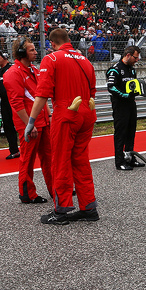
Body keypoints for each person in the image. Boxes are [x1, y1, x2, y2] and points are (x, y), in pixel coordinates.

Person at [26, 28, 98, 226]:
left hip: (66, 114)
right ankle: (88, 207)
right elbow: (93, 91)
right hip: (87, 113)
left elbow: (42, 94)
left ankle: (61, 210)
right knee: (81, 160)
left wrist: (31, 121)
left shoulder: (52, 59)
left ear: (52, 44)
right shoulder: (85, 60)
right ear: (68, 40)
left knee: (60, 161)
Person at [4, 37, 53, 204]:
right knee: (28, 159)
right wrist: (28, 125)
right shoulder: (12, 73)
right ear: (21, 53)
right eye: (31, 50)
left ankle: (55, 189)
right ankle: (27, 193)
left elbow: (41, 96)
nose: (35, 52)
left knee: (49, 157)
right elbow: (16, 103)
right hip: (29, 124)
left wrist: (50, 116)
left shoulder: (34, 70)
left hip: (43, 121)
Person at [106, 45, 144, 170]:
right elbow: (111, 87)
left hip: (131, 104)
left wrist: (137, 91)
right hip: (120, 105)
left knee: (131, 131)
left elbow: (132, 85)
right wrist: (125, 95)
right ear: (128, 55)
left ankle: (130, 157)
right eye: (135, 57)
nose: (137, 60)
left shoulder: (132, 69)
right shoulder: (115, 69)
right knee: (120, 133)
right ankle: (119, 161)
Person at [0, 50, 20, 159]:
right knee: (8, 126)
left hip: (15, 100)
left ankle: (30, 147)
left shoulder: (13, 68)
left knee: (20, 125)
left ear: (4, 57)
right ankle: (14, 150)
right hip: (4, 102)